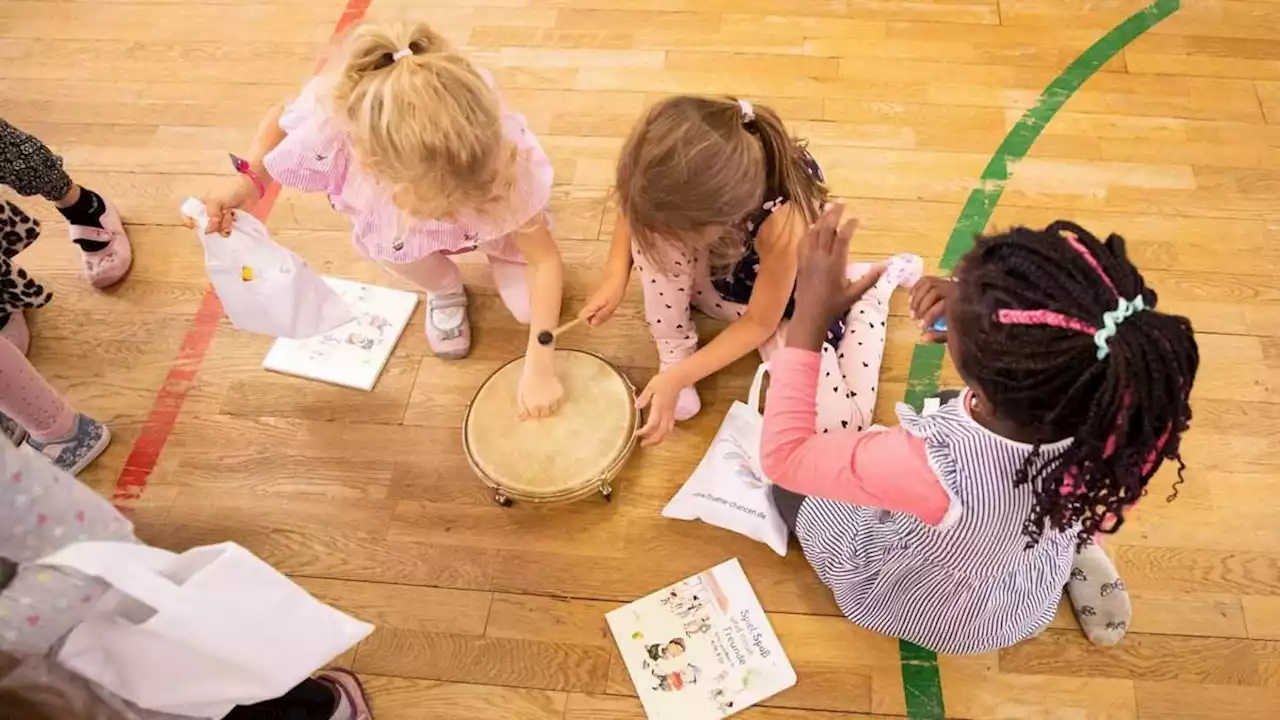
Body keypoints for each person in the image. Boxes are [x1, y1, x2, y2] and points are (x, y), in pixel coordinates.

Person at [760, 204, 1198, 654]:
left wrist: (810, 318)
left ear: (983, 370)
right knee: (973, 433)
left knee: (786, 491)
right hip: (1019, 603)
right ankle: (1074, 553)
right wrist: (979, 321)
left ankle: (1064, 548)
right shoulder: (1120, 422)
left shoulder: (932, 464)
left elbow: (784, 457)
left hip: (917, 604)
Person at [198, 21, 565, 419]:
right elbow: (280, 123)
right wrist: (248, 183)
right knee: (405, 255)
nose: (446, 211)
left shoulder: (502, 160)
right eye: (437, 202)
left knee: (532, 309)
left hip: (497, 222)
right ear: (375, 167)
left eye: (456, 200)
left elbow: (544, 260)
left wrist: (540, 362)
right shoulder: (336, 119)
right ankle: (444, 290)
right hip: (401, 238)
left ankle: (497, 249)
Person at [580, 95, 919, 445]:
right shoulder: (689, 159)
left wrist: (679, 379)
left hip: (785, 305)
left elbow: (760, 322)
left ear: (725, 218)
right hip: (730, 279)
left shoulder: (784, 225)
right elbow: (637, 203)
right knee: (654, 229)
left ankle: (873, 292)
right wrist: (615, 272)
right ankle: (675, 347)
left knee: (838, 428)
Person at [0, 437, 374, 719]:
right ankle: (318, 709)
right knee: (209, 673)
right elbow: (76, 530)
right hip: (88, 643)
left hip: (77, 651)